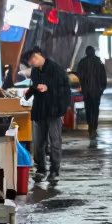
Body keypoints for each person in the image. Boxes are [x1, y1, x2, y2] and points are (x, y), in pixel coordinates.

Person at [23, 48, 71, 185]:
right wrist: (30, 91)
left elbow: (65, 89)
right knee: (39, 142)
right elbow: (36, 86)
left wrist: (49, 88)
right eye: (30, 60)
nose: (32, 61)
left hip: (54, 111)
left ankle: (54, 171)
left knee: (55, 142)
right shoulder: (35, 71)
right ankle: (41, 169)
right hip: (40, 110)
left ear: (41, 55)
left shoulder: (56, 69)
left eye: (34, 58)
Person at [75, 45, 108, 138]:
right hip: (96, 91)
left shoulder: (82, 62)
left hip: (87, 91)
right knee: (95, 109)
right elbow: (103, 77)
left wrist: (81, 87)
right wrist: (102, 88)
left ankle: (91, 127)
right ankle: (93, 127)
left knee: (89, 110)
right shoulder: (98, 62)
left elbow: (78, 76)